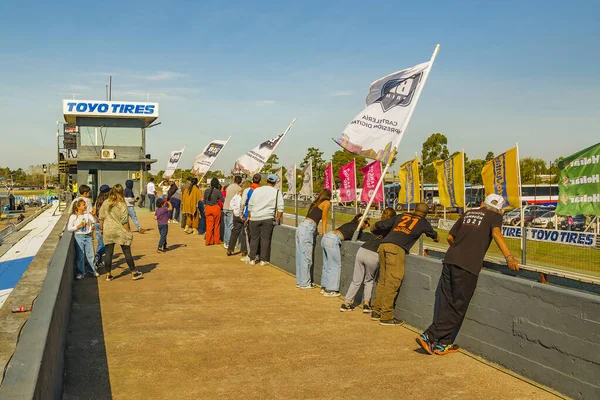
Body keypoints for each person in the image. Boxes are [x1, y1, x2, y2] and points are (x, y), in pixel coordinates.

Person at [417, 195, 519, 355]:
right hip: (467, 266)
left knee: (446, 302)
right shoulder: (495, 216)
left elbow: (450, 237)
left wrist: (460, 249)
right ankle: (430, 335)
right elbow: (497, 234)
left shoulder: (469, 212)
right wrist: (509, 257)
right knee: (459, 306)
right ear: (499, 209)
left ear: (482, 203)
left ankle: (442, 344)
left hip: (450, 260)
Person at [370, 203, 439, 326]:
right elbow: (433, 234)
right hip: (396, 249)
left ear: (414, 210)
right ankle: (386, 316)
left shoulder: (402, 216)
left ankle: (376, 310)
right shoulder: (423, 222)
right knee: (393, 281)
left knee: (383, 280)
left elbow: (381, 224)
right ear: (426, 214)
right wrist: (436, 237)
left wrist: (374, 226)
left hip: (383, 246)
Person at [340, 207, 397, 312]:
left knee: (356, 280)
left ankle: (346, 303)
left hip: (362, 250)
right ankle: (366, 304)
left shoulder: (379, 225)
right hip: (374, 253)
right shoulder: (393, 228)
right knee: (369, 280)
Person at [98, 184, 143, 281]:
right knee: (127, 252)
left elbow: (101, 217)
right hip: (120, 230)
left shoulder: (106, 202)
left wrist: (101, 229)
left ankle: (108, 275)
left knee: (109, 253)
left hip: (108, 230)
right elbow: (124, 220)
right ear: (122, 192)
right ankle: (134, 272)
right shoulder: (122, 204)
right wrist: (128, 231)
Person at [320, 214, 370, 297]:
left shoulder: (348, 224)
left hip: (327, 237)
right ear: (360, 221)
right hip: (333, 239)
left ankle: (324, 286)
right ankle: (331, 289)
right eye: (366, 222)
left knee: (327, 264)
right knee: (335, 265)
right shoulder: (358, 229)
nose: (367, 225)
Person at [295, 189, 331, 289]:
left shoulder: (315, 203)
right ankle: (305, 283)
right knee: (306, 256)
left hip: (302, 226)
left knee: (300, 256)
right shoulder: (326, 202)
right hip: (308, 229)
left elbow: (312, 217)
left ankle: (300, 281)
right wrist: (324, 233)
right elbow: (324, 218)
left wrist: (315, 232)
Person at [247, 174, 284, 265]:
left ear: (266, 180)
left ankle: (252, 259)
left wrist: (250, 216)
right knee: (265, 239)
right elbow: (280, 208)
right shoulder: (277, 192)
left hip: (255, 217)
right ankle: (263, 260)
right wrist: (278, 218)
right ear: (275, 182)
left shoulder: (257, 190)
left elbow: (250, 205)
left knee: (254, 238)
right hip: (268, 217)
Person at [67, 198, 99, 280]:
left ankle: (92, 270)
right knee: (80, 255)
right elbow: (69, 228)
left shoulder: (87, 214)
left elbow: (94, 221)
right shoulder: (73, 216)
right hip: (79, 236)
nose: (85, 206)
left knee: (90, 254)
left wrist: (93, 220)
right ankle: (81, 272)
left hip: (88, 236)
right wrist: (77, 227)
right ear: (78, 207)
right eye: (83, 205)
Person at [239, 175, 261, 262]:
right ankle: (257, 254)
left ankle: (250, 255)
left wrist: (241, 215)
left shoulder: (248, 190)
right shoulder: (261, 190)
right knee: (258, 236)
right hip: (260, 214)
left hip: (249, 215)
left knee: (249, 236)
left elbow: (242, 203)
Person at [93, 185, 111, 268]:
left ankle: (98, 261)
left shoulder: (98, 200)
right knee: (104, 244)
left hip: (96, 223)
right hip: (103, 224)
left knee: (101, 242)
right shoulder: (107, 202)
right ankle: (97, 256)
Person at [223, 176, 243, 249]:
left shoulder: (229, 187)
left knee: (226, 226)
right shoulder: (239, 189)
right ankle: (228, 243)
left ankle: (225, 241)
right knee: (230, 226)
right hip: (231, 208)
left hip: (225, 207)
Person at [204, 178, 225, 245]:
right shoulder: (218, 191)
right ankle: (216, 240)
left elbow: (204, 200)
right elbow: (223, 200)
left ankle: (208, 241)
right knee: (216, 225)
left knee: (209, 225)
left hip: (208, 208)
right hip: (216, 208)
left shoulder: (206, 191)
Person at [226, 187, 243, 256]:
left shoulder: (237, 195)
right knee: (245, 234)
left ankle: (230, 249)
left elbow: (231, 202)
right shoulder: (245, 195)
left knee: (234, 233)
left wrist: (233, 210)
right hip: (243, 216)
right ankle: (244, 251)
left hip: (236, 215)